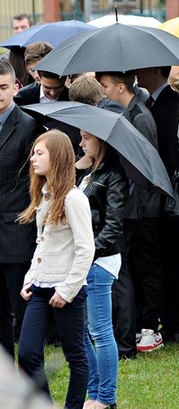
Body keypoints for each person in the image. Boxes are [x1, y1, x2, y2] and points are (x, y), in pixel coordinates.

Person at [17, 130, 94, 409]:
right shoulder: (45, 195)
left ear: (57, 157)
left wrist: (67, 289)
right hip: (41, 286)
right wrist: (30, 279)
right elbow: (43, 245)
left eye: (39, 153)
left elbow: (86, 249)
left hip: (67, 289)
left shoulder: (74, 199)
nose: (32, 158)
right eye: (33, 153)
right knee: (27, 353)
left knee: (75, 355)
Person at [97, 70, 163, 355]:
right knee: (133, 268)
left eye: (106, 86)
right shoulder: (126, 113)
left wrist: (137, 207)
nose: (103, 92)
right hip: (131, 206)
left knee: (144, 267)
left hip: (141, 207)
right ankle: (137, 324)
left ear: (120, 86)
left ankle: (149, 326)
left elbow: (147, 165)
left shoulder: (140, 117)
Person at [136, 65, 179, 344]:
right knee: (161, 259)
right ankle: (172, 319)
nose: (136, 73)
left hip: (169, 195)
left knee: (173, 260)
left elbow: (174, 155)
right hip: (154, 196)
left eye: (141, 69)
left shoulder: (175, 105)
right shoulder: (149, 102)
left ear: (155, 71)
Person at [75, 130, 128, 409]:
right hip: (86, 260)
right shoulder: (87, 172)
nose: (81, 143)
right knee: (82, 331)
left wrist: (88, 252)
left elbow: (113, 225)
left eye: (86, 138)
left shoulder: (113, 175)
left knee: (100, 331)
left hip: (99, 261)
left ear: (102, 141)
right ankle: (96, 392)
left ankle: (106, 397)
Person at [0, 61, 42, 359]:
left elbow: (34, 182)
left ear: (16, 87)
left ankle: (29, 376)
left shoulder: (28, 125)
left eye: (2, 88)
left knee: (23, 312)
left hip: (15, 232)